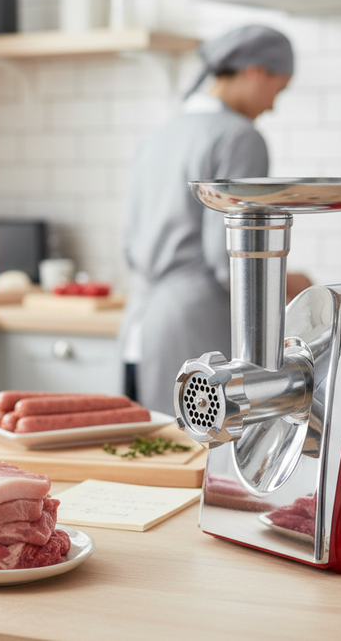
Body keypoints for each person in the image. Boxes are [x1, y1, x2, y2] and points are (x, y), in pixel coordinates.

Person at [118, 24, 308, 414]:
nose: (273, 105)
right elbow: (228, 262)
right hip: (196, 331)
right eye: (279, 88)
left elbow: (129, 245)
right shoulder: (239, 137)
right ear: (255, 71)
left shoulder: (161, 134)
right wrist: (293, 284)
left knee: (155, 456)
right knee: (205, 461)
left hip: (141, 325)